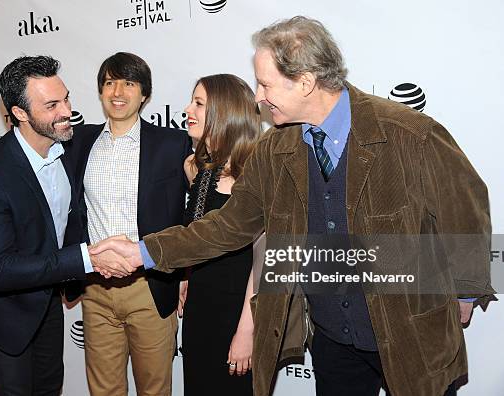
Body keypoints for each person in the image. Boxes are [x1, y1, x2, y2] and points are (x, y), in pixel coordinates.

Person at [93, 16, 494, 396]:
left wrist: (463, 296)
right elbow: (226, 226)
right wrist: (143, 251)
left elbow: (466, 210)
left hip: (412, 334)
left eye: (266, 85)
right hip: (335, 339)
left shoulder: (409, 134)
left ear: (305, 82)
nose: (258, 97)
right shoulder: (274, 148)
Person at [0, 55, 128, 395]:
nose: (66, 111)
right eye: (51, 105)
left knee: (50, 388)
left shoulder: (69, 147)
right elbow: (2, 269)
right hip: (4, 312)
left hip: (47, 301)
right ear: (19, 113)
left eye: (66, 98)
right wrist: (88, 259)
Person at [63, 52, 192, 396]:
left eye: (129, 83)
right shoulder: (79, 142)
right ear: (101, 91)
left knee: (154, 389)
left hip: (150, 288)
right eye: (109, 83)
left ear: (144, 94)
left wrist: (185, 271)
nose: (117, 91)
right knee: (103, 390)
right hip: (96, 290)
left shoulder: (172, 144)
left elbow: (194, 212)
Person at [178, 74, 260, 395]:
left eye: (199, 103)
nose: (188, 109)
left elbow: (265, 263)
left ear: (224, 113)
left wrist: (246, 331)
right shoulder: (197, 168)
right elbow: (198, 234)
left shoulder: (255, 177)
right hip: (200, 308)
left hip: (239, 313)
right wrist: (186, 276)